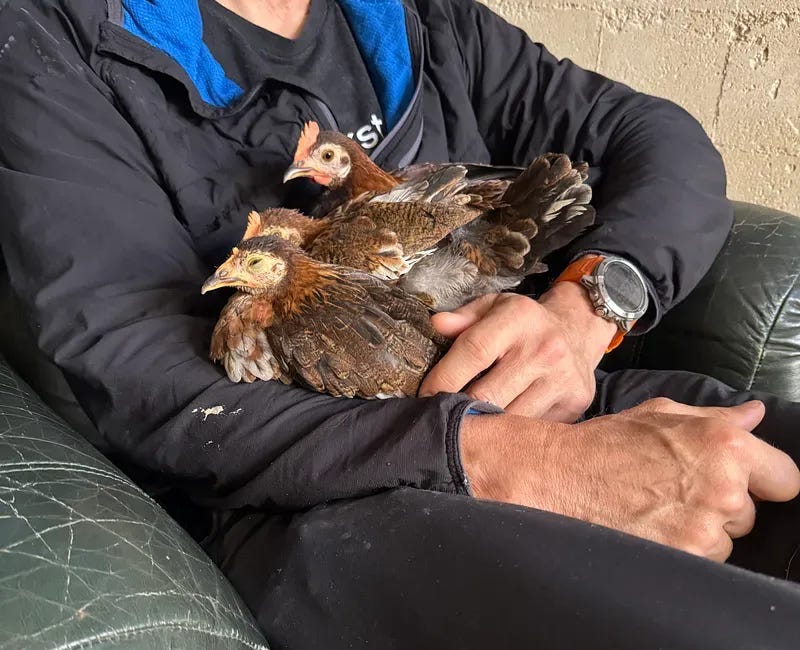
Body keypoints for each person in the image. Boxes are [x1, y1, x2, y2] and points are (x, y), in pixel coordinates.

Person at [1, 0, 799, 647]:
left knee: (769, 464)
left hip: (533, 394)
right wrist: (525, 463)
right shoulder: (57, 41)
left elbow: (662, 143)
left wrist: (590, 308)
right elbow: (144, 375)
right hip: (311, 488)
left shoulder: (417, 20)